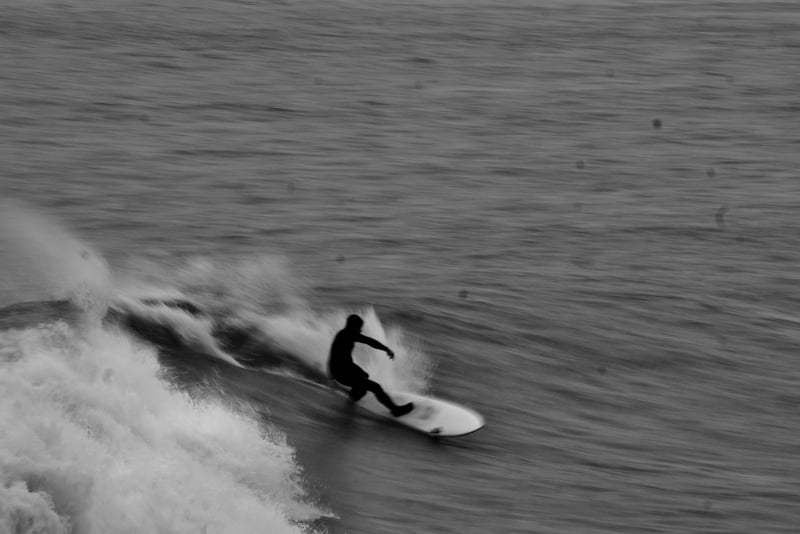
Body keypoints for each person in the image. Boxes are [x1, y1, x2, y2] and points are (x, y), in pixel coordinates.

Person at [328, 314, 414, 417]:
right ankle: (395, 410)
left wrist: (386, 349)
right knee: (375, 387)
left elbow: (369, 341)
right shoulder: (346, 336)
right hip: (342, 373)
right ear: (353, 327)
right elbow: (333, 356)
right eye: (359, 328)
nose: (360, 331)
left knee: (364, 375)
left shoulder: (346, 334)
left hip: (346, 369)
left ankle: (353, 397)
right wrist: (332, 378)